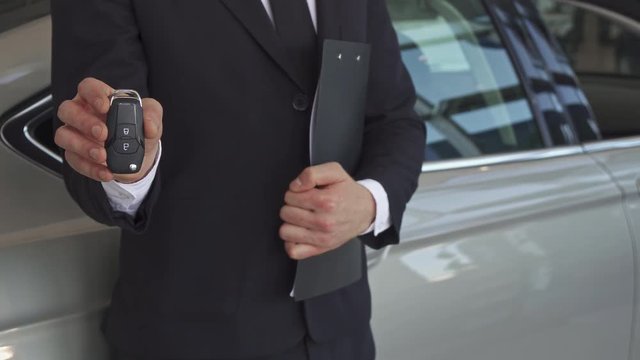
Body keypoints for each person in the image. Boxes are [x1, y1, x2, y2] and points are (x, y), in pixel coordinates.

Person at [51, 0, 425, 359]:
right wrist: (131, 170)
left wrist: (370, 201)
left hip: (342, 333)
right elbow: (97, 143)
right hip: (192, 340)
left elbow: (395, 119)